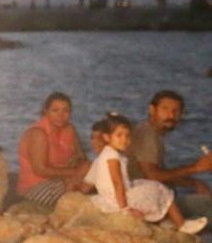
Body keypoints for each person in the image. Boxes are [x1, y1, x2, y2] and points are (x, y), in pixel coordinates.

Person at [86, 114, 204, 234]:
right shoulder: (112, 157)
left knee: (151, 185)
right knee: (160, 189)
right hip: (117, 199)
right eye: (119, 135)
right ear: (106, 137)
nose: (124, 139)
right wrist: (125, 209)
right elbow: (117, 183)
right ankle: (181, 224)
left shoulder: (108, 153)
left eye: (127, 135)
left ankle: (166, 219)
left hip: (113, 195)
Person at [127, 90, 212, 222]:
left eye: (176, 111)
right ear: (152, 109)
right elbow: (152, 175)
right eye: (165, 109)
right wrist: (195, 168)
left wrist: (193, 182)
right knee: (208, 206)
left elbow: (156, 174)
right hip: (144, 200)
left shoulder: (147, 130)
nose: (171, 115)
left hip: (148, 195)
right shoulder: (148, 136)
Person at [16, 93, 89, 210]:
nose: (60, 115)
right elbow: (40, 170)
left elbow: (81, 157)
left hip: (62, 179)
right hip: (36, 186)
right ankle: (69, 205)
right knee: (82, 186)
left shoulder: (69, 129)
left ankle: (72, 201)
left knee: (92, 168)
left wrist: (79, 170)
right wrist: (74, 173)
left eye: (65, 111)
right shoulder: (38, 133)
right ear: (45, 111)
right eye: (55, 110)